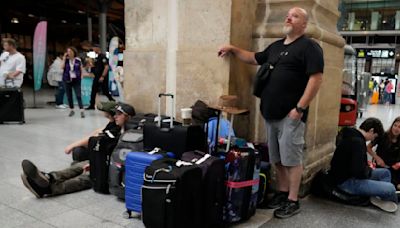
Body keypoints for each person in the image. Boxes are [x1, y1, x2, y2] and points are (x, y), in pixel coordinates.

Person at [218, 7, 324, 218]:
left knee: (291, 159)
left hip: (291, 115)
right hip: (270, 113)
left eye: (294, 16)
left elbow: (316, 79)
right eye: (288, 15)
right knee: (276, 157)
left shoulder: (309, 47)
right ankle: (282, 193)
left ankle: (293, 200)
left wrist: (299, 108)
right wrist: (232, 48)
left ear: (304, 24)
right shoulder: (276, 47)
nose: (288, 17)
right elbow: (253, 58)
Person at [20, 102, 136, 198]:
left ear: (128, 117)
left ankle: (49, 189)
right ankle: (49, 177)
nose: (115, 116)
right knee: (79, 166)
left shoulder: (131, 135)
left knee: (87, 177)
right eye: (115, 113)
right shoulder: (116, 128)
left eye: (119, 114)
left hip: (112, 170)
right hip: (104, 163)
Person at [330, 117, 398, 212]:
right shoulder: (358, 142)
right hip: (346, 182)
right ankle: (389, 199)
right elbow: (358, 172)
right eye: (374, 136)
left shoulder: (351, 134)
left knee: (385, 173)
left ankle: (379, 198)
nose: (373, 139)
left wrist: (367, 170)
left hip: (349, 175)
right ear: (371, 131)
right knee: (391, 188)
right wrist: (369, 171)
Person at [367, 117, 400, 190]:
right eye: (395, 125)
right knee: (391, 184)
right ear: (392, 125)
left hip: (395, 168)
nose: (396, 129)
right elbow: (368, 147)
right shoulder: (383, 136)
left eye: (399, 127)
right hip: (382, 166)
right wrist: (377, 158)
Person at [86, 44, 115, 110]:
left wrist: (102, 76)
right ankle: (92, 105)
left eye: (94, 48)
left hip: (102, 77)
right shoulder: (96, 57)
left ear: (97, 48)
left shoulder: (103, 56)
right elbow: (96, 67)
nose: (93, 50)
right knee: (93, 91)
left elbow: (106, 67)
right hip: (96, 77)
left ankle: (113, 101)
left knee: (105, 91)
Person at [61, 47, 85, 118]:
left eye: (70, 51)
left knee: (78, 95)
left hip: (76, 80)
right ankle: (72, 109)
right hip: (67, 79)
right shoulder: (66, 60)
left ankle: (82, 110)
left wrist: (82, 75)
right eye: (68, 51)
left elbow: (81, 68)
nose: (69, 53)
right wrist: (64, 59)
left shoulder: (78, 60)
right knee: (69, 95)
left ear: (74, 52)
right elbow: (62, 67)